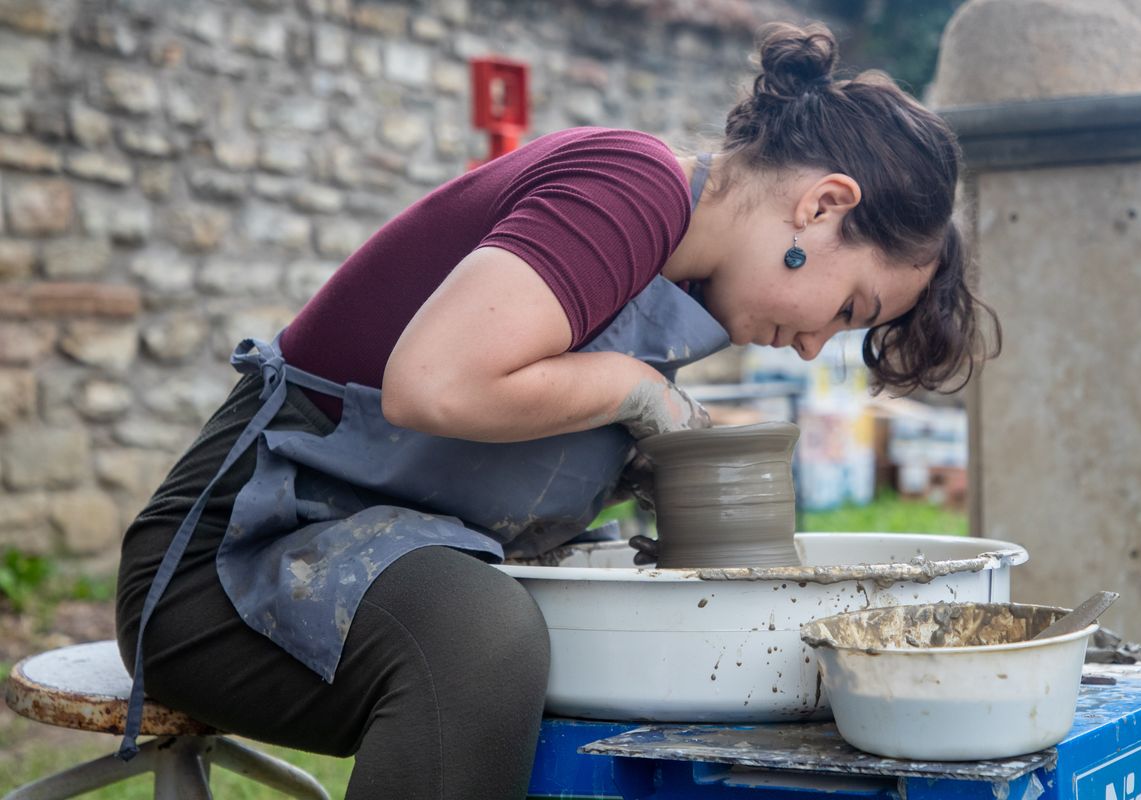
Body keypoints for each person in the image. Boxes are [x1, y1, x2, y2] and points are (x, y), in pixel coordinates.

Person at [115, 20, 997, 800]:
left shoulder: (680, 281)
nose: (813, 348)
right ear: (823, 204)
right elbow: (438, 386)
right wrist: (643, 396)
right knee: (481, 643)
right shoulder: (629, 187)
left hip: (356, 556)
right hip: (221, 568)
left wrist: (657, 464)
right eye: (848, 312)